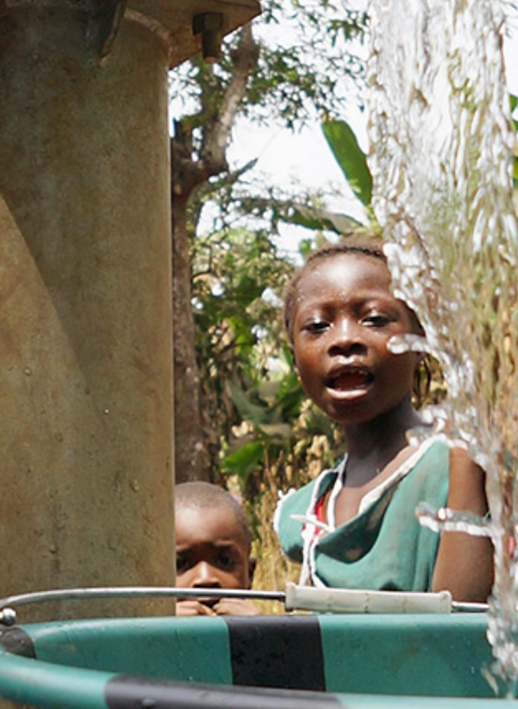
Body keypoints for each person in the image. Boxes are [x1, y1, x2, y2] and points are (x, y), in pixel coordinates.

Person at [274, 236, 493, 601]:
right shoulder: (309, 508)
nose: (344, 339)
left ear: (422, 338)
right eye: (317, 326)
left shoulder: (461, 463)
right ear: (295, 359)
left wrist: (468, 465)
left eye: (374, 319)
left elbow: (461, 635)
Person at [174, 481, 258, 616]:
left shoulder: (266, 631)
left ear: (249, 574)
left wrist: (263, 633)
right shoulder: (135, 632)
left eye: (225, 561)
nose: (205, 579)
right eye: (180, 564)